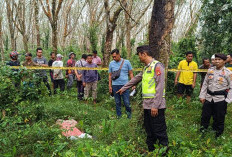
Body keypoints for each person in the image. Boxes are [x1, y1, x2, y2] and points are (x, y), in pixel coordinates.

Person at [117, 45, 168, 152]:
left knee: (159, 130)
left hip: (156, 106)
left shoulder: (157, 66)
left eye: (139, 55)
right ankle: (151, 151)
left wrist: (155, 106)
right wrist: (124, 88)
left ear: (144, 54)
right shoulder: (146, 68)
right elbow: (136, 79)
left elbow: (160, 87)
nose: (139, 58)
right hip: (147, 105)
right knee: (149, 130)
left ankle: (164, 152)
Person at [199, 53, 232, 138]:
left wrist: (228, 100)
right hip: (209, 97)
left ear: (224, 61)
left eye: (219, 59)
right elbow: (205, 83)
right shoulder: (210, 70)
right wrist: (202, 96)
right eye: (216, 59)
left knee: (219, 117)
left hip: (220, 98)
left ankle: (218, 134)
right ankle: (202, 131)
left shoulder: (228, 73)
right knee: (205, 116)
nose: (217, 61)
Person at [109, 49, 134, 119]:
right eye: (112, 57)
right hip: (115, 85)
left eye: (115, 56)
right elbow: (110, 75)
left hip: (125, 85)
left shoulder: (127, 62)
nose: (114, 58)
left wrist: (133, 84)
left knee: (126, 102)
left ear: (119, 54)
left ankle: (129, 116)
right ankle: (119, 116)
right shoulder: (111, 63)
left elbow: (131, 73)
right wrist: (110, 86)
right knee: (117, 102)